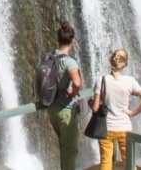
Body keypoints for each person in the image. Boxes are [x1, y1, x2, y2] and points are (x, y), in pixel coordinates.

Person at [90, 48, 141, 170]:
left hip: (106, 128)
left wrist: (91, 102)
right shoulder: (130, 81)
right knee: (129, 162)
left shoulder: (101, 80)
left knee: (105, 163)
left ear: (111, 62)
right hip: (124, 128)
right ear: (125, 64)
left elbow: (95, 108)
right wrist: (132, 113)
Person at [48, 20, 82, 170]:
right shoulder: (70, 62)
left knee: (63, 146)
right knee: (69, 151)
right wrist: (72, 92)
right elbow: (77, 83)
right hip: (65, 111)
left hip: (51, 109)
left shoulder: (50, 57)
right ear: (72, 42)